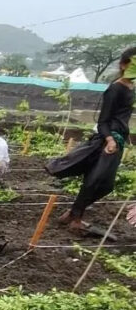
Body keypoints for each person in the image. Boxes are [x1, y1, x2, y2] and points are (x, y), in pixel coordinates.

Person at [46, 47, 135, 233]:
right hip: (107, 140)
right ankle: (75, 218)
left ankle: (73, 213)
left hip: (118, 141)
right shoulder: (115, 88)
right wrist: (109, 140)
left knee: (106, 185)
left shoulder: (131, 88)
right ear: (124, 65)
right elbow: (102, 121)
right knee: (95, 180)